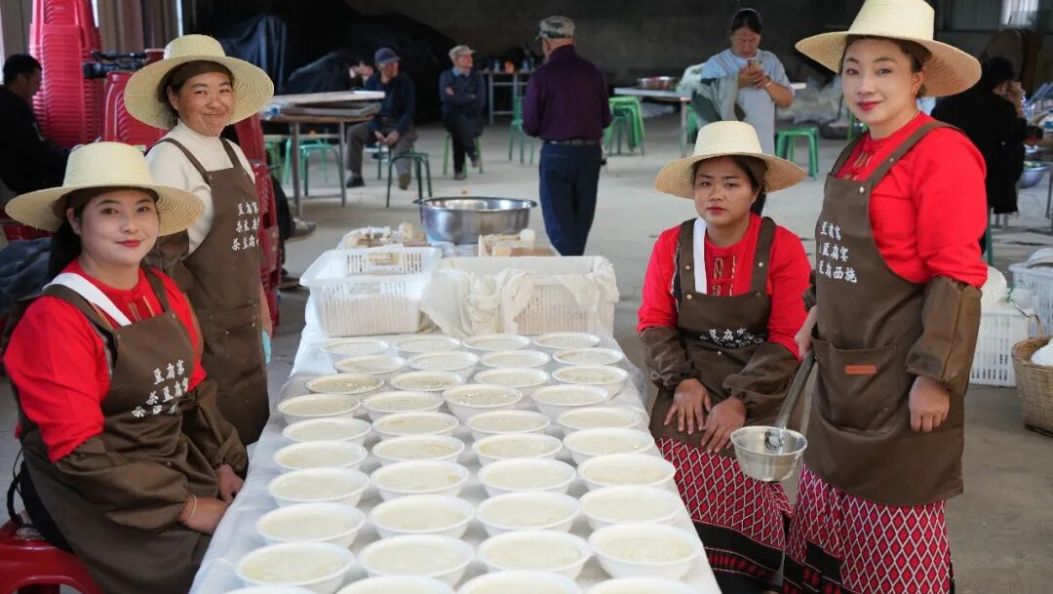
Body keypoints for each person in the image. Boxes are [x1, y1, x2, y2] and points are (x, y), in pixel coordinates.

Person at [788, 1, 987, 592]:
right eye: (852, 70)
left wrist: (935, 377)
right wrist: (815, 313)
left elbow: (957, 275)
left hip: (901, 374)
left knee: (894, 516)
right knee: (830, 505)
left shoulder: (941, 153)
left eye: (884, 69)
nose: (864, 86)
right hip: (843, 367)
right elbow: (838, 253)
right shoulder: (857, 150)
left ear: (918, 77)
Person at [3, 142, 248, 594]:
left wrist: (223, 464)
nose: (130, 225)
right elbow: (79, 453)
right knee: (226, 571)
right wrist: (187, 508)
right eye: (110, 211)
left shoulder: (162, 290)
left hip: (166, 461)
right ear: (76, 221)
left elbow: (193, 391)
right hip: (95, 491)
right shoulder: (55, 320)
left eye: (142, 209)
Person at [640, 121, 810, 593]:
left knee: (746, 466)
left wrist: (741, 401)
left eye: (731, 183)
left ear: (756, 191)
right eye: (705, 183)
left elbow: (789, 338)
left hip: (762, 379)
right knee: (673, 453)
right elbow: (654, 321)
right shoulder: (672, 244)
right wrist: (681, 381)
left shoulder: (783, 248)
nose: (715, 194)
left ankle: (747, 575)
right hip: (690, 373)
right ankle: (680, 570)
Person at [124, 34, 275, 444]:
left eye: (224, 90)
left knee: (250, 435)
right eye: (201, 91)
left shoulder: (231, 151)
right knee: (214, 440)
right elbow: (161, 263)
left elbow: (247, 244)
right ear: (174, 98)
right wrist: (188, 337)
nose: (216, 102)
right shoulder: (168, 158)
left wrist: (261, 306)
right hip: (200, 325)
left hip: (242, 317)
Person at [523, 16, 611, 256]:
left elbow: (530, 125)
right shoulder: (593, 73)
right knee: (580, 224)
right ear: (573, 40)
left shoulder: (542, 76)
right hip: (590, 154)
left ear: (546, 43)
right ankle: (576, 266)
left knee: (560, 227)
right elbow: (605, 119)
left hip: (557, 154)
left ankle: (572, 270)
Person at [933, 57, 1027, 216]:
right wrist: (1017, 104)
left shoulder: (947, 103)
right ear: (1004, 83)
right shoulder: (1000, 107)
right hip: (983, 177)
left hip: (945, 171)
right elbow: (1016, 134)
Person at [700, 9, 795, 154]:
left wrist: (766, 82)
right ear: (731, 36)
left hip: (762, 143)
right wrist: (736, 82)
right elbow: (703, 100)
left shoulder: (770, 61)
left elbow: (786, 101)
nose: (746, 46)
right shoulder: (717, 64)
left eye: (752, 40)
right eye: (742, 40)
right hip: (726, 144)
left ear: (760, 37)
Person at [345, 47, 418, 190]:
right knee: (354, 132)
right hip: (377, 123)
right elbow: (368, 110)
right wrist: (375, 129)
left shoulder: (404, 81)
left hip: (398, 123)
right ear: (380, 66)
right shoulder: (372, 82)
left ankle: (403, 176)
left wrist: (397, 131)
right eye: (390, 64)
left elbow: (409, 111)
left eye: (395, 63)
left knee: (402, 145)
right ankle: (355, 175)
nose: (394, 66)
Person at [0, 54, 69, 198]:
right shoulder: (12, 111)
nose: (38, 89)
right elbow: (35, 151)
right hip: (29, 180)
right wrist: (67, 156)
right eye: (36, 83)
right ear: (21, 79)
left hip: (29, 172)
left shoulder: (12, 103)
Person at [439, 44, 485, 180]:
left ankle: (459, 169)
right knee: (458, 119)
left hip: (473, 118)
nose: (470, 59)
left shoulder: (477, 77)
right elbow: (446, 100)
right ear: (455, 60)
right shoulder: (446, 76)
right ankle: (472, 153)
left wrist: (458, 97)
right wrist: (470, 97)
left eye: (470, 56)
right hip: (451, 118)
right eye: (465, 57)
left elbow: (480, 102)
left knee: (459, 127)